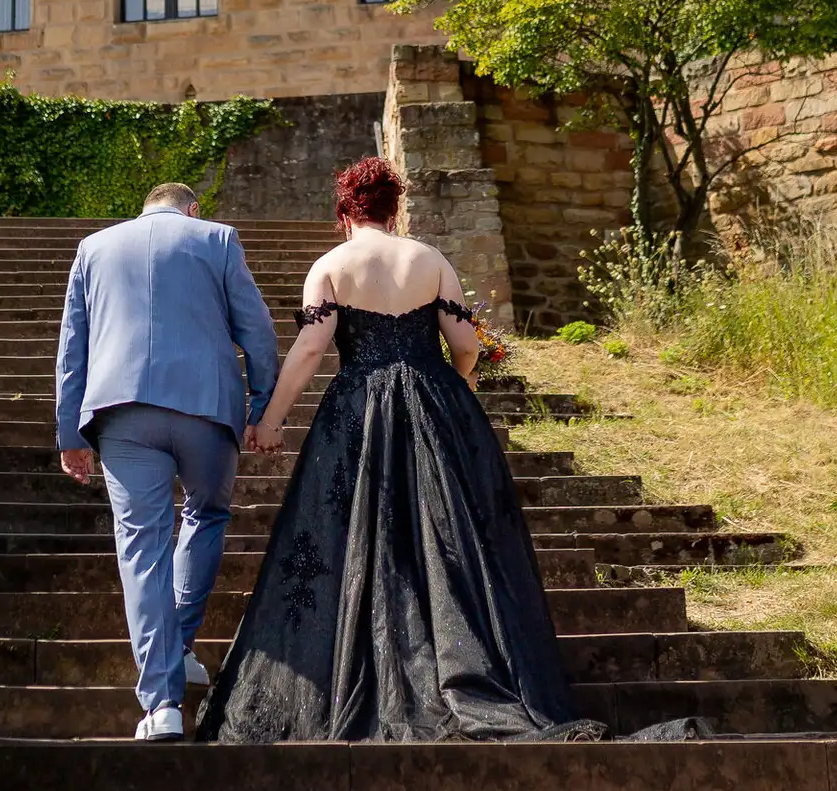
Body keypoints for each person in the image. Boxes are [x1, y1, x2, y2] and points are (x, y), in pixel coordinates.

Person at [194, 156, 596, 743]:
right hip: (437, 408)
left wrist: (271, 420)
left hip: (358, 411)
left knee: (358, 533)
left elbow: (310, 351)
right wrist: (461, 386)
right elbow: (465, 343)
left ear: (344, 211)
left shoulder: (330, 266)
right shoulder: (429, 259)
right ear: (394, 208)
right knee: (449, 538)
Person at [54, 180, 280, 742]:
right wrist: (262, 405)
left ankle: (161, 705)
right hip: (206, 407)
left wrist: (68, 433)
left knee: (140, 545)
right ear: (192, 208)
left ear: (145, 206)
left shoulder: (94, 247)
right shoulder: (219, 239)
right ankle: (177, 645)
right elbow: (256, 330)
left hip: (122, 411)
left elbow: (72, 347)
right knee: (205, 515)